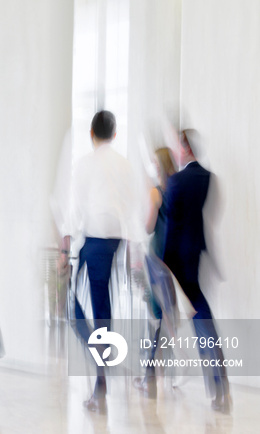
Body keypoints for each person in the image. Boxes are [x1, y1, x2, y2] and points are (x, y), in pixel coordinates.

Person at [60, 110, 137, 414]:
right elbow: (131, 206)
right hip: (115, 242)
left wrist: (66, 247)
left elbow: (75, 208)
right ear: (114, 134)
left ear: (92, 134)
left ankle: (101, 378)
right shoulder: (125, 166)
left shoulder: (85, 164)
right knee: (101, 306)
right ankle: (101, 364)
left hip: (93, 241)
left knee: (84, 307)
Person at [162, 129, 231, 413]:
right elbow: (206, 215)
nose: (175, 151)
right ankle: (219, 385)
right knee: (198, 314)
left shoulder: (177, 181)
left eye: (176, 146)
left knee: (193, 315)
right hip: (197, 252)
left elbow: (172, 224)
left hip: (177, 257)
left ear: (184, 148)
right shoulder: (208, 178)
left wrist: (164, 262)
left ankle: (216, 385)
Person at [135, 147, 177, 398]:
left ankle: (149, 374)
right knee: (166, 315)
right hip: (174, 259)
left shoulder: (156, 192)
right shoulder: (177, 190)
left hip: (156, 257)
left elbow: (148, 226)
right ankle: (162, 374)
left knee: (156, 316)